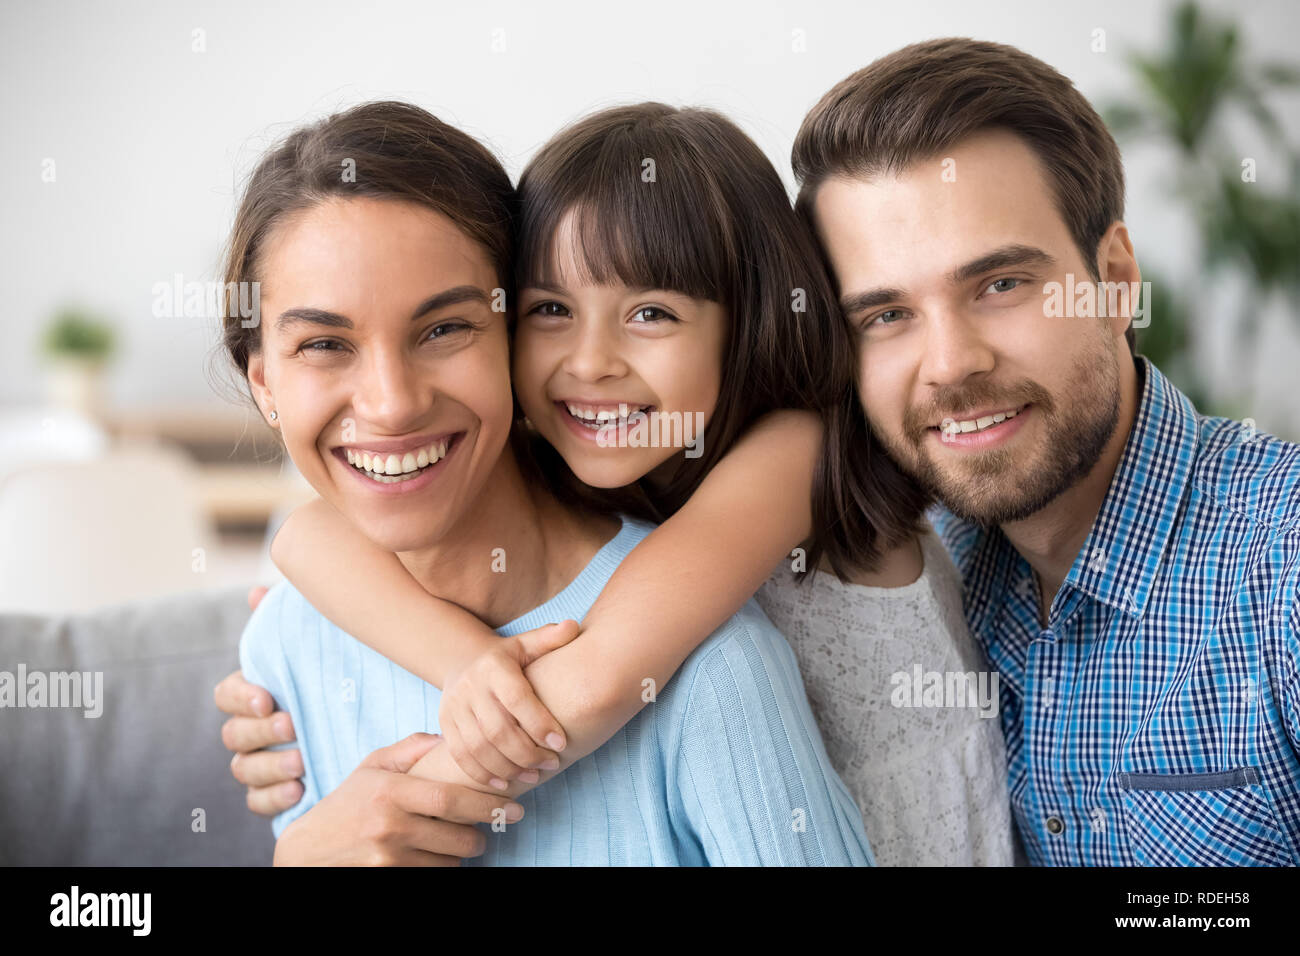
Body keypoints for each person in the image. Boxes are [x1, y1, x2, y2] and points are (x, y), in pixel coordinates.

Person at [218, 101, 1015, 865]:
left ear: (749, 322)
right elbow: (303, 537)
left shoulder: (792, 452)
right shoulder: (574, 441)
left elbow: (598, 682)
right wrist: (451, 657)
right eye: (552, 310)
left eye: (653, 314)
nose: (590, 361)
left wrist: (374, 820)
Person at [791, 37, 1300, 866]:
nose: (951, 364)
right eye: (886, 316)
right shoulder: (927, 584)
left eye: (999, 286)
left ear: (1116, 278)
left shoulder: (1281, 576)